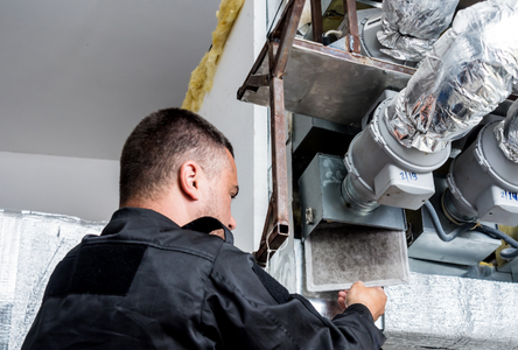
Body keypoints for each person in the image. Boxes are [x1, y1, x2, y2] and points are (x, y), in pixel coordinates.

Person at [21, 108, 387, 349]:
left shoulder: (70, 269)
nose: (231, 220)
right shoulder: (206, 263)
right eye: (230, 194)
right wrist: (362, 312)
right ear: (192, 179)